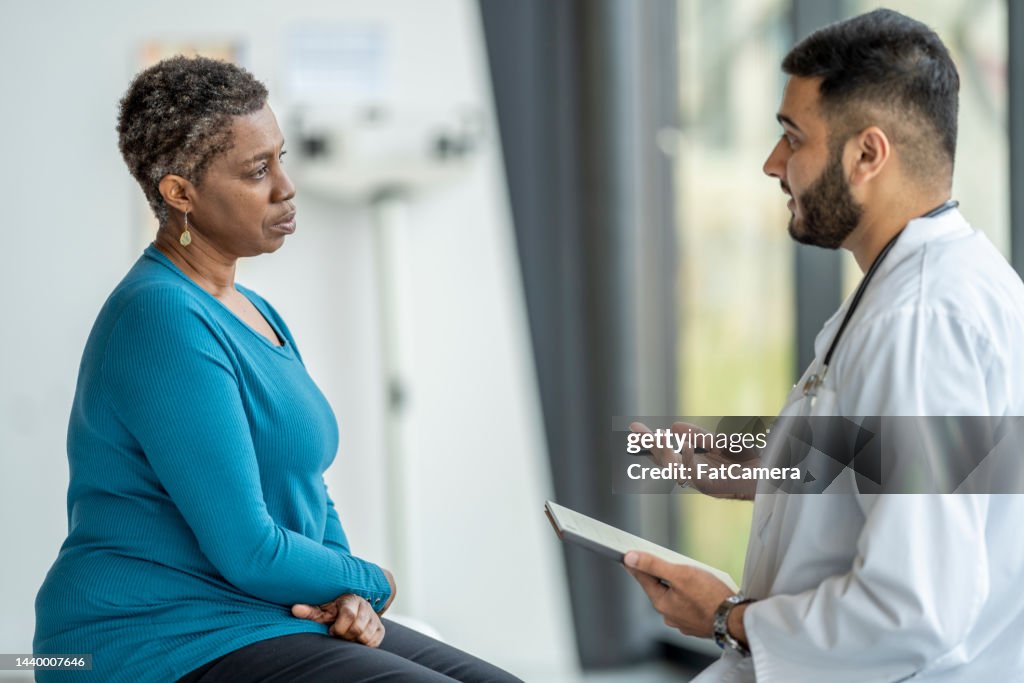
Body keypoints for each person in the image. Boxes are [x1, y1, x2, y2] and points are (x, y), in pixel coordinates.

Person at [34, 55, 521, 683]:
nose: (286, 187)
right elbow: (251, 551)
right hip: (150, 640)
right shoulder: (160, 316)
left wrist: (349, 594)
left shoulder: (253, 310)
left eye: (281, 158)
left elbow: (305, 483)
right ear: (180, 193)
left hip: (263, 613)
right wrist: (378, 582)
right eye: (257, 170)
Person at [624, 9, 1024, 681]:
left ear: (868, 154)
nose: (772, 163)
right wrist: (766, 465)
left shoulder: (919, 323)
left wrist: (726, 616)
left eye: (792, 137)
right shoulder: (951, 281)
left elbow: (914, 608)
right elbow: (936, 473)